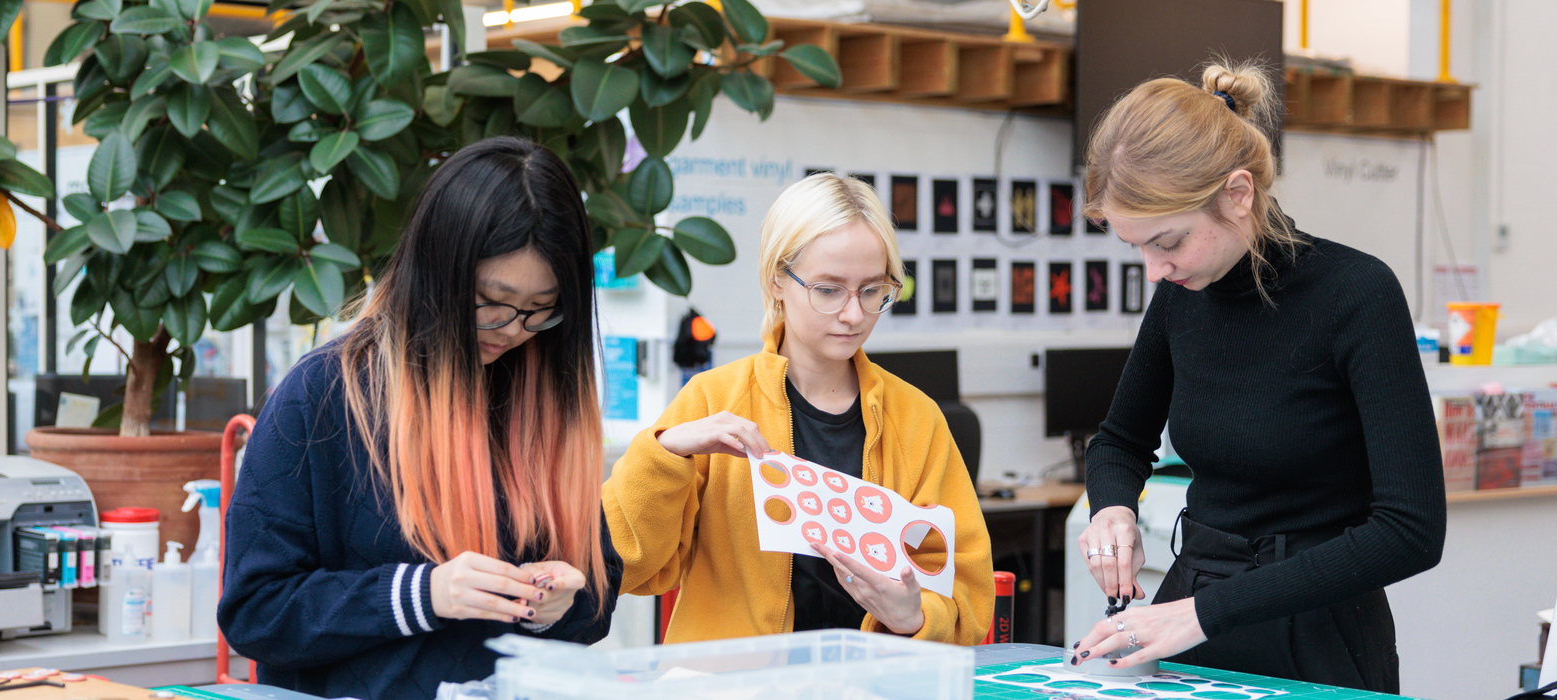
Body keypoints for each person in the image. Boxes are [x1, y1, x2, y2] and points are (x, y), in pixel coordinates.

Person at [1069, 61, 1446, 692]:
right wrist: (1112, 509)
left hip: (1318, 636)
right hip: (1191, 613)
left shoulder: (1358, 295)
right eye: (1137, 248)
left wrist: (1205, 613)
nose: (1154, 270)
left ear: (1238, 194)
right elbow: (1119, 441)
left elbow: (1410, 531)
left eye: (1167, 242)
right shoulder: (1183, 294)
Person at [218, 137, 619, 700]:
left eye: (540, 309)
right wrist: (423, 595)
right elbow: (255, 612)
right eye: (491, 301)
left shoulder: (547, 398)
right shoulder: (324, 397)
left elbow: (598, 593)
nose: (512, 329)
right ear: (437, 270)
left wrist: (558, 605)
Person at [604, 173, 994, 644]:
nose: (853, 315)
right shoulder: (713, 400)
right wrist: (665, 453)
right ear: (777, 279)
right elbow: (628, 566)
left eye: (872, 291)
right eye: (828, 290)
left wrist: (916, 617)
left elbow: (968, 593)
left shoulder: (917, 419)